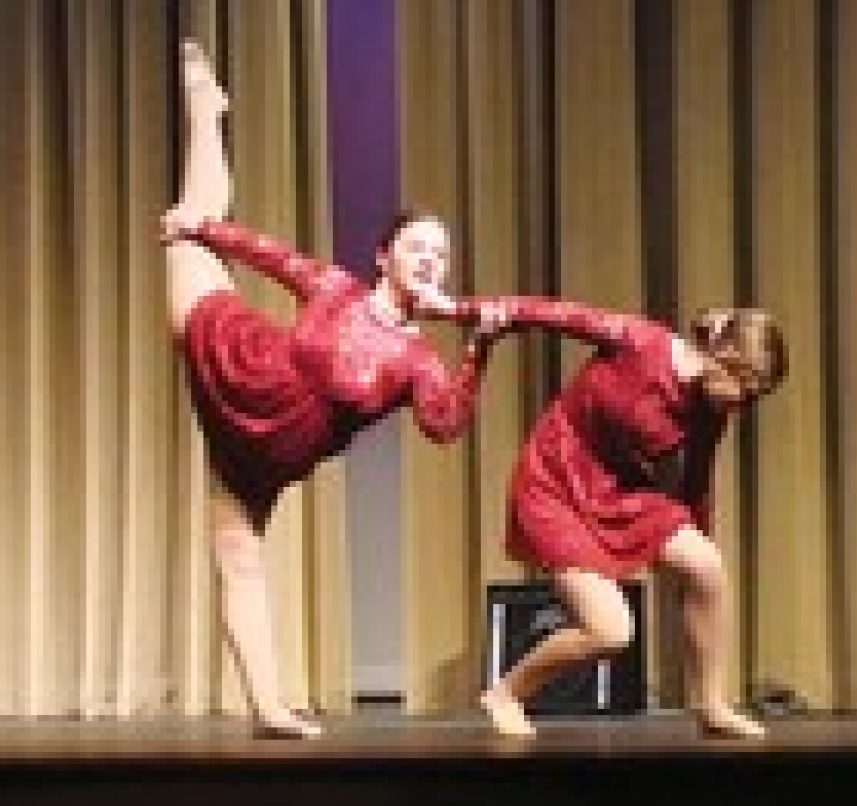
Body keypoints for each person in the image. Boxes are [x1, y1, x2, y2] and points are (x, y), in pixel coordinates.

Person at [163, 43, 500, 737]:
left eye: (441, 254)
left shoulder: (416, 362)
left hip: (263, 452)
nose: (430, 260)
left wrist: (480, 348)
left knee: (237, 557)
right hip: (230, 354)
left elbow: (447, 424)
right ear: (385, 257)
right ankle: (206, 112)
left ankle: (268, 709)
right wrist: (202, 228)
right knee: (192, 229)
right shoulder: (337, 288)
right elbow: (265, 252)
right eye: (417, 249)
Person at [427, 299, 786, 740]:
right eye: (746, 389)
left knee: (709, 567)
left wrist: (694, 544)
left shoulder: (711, 411)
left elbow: (696, 484)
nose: (744, 404)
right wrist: (463, 311)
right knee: (611, 631)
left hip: (622, 493)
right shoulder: (641, 342)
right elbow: (555, 314)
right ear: (724, 359)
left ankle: (711, 704)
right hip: (554, 484)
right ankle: (506, 693)